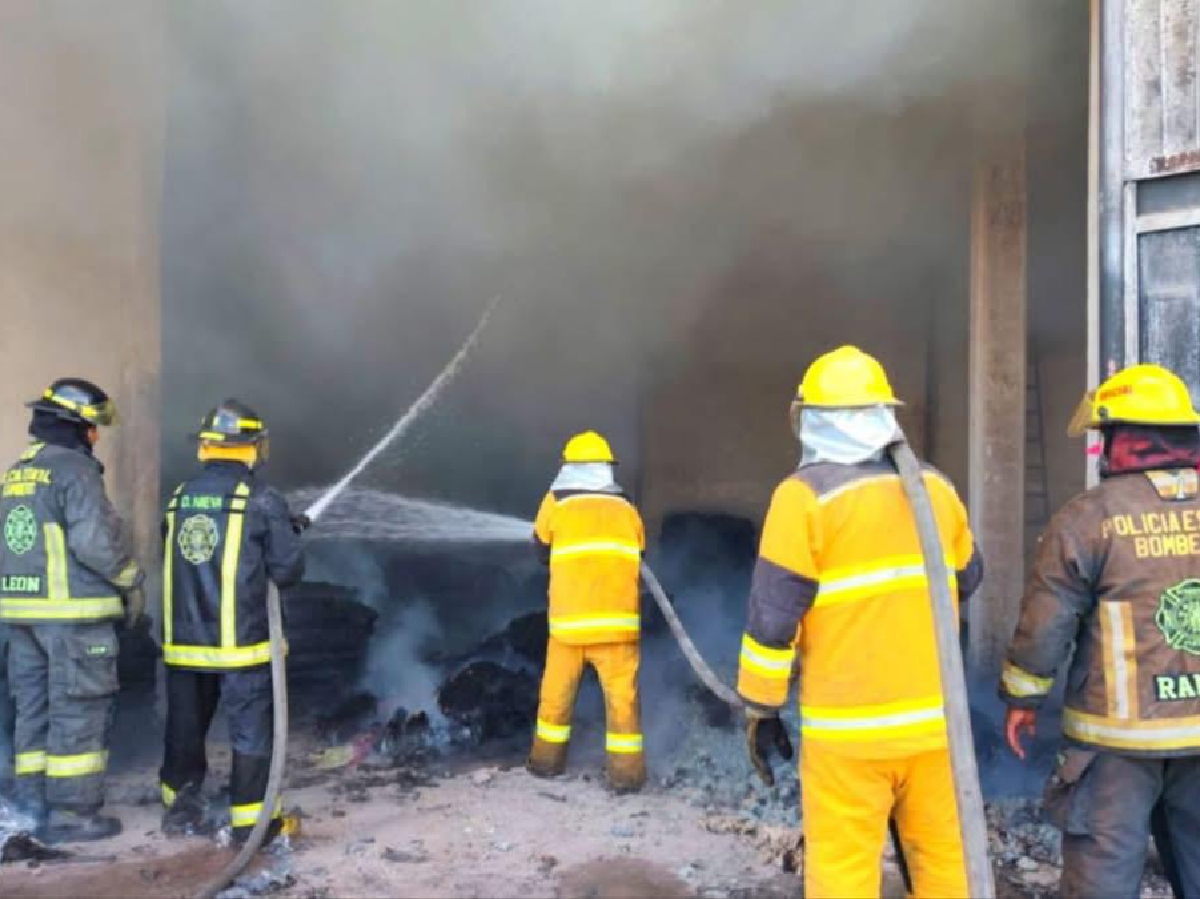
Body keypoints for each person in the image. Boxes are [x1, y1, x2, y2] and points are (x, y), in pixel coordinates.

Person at [735, 346, 983, 899]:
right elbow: (968, 578)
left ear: (811, 422)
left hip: (846, 736)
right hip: (934, 728)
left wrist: (761, 705)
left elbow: (773, 621)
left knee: (844, 873)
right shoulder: (936, 491)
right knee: (944, 865)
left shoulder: (802, 499)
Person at [1001, 363, 1200, 898]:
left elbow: (1047, 622)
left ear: (1124, 439)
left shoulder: (1088, 517)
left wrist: (1023, 699)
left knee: (1103, 880)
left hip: (1116, 747)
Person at [0, 378, 144, 842]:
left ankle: (32, 804)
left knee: (34, 710)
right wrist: (131, 578)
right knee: (78, 711)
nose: (95, 436)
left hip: (21, 616)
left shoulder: (19, 470)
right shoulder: (76, 471)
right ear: (77, 426)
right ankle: (74, 815)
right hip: (73, 619)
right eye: (92, 427)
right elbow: (94, 541)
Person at [158, 400, 305, 844]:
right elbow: (287, 571)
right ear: (253, 447)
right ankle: (252, 825)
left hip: (184, 643)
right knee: (251, 734)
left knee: (185, 730)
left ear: (206, 447)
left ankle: (180, 811)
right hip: (241, 646)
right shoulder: (262, 500)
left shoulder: (180, 497)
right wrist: (289, 533)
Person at [526, 431, 647, 793]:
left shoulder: (556, 503)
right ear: (606, 469)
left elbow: (539, 548)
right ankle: (626, 778)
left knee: (555, 697)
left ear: (567, 468)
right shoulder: (627, 509)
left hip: (569, 629)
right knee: (622, 704)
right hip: (617, 630)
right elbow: (640, 552)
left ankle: (546, 764)